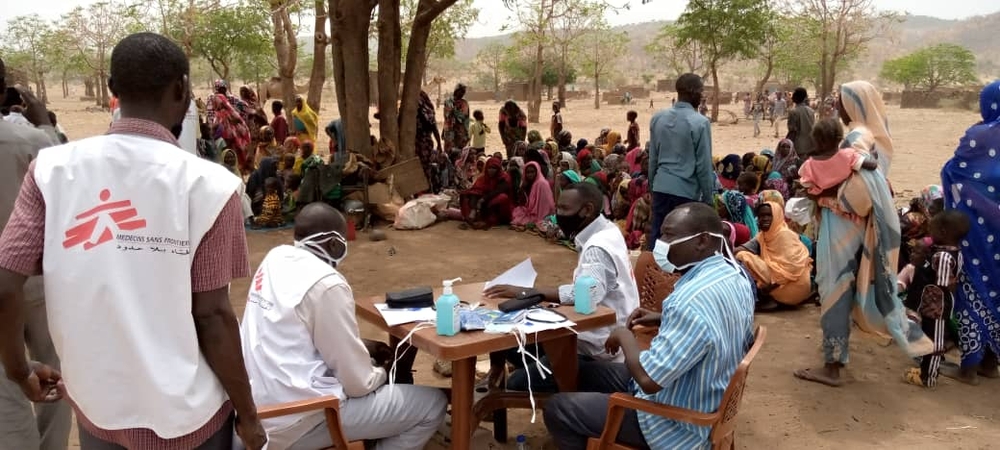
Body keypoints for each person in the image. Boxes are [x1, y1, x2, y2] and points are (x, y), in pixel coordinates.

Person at [0, 33, 266, 449]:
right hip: (187, 420)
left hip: (99, 409)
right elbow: (212, 316)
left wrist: (18, 370)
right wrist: (248, 416)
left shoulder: (52, 169)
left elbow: (4, 283)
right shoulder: (210, 187)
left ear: (112, 90)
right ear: (181, 89)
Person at [543, 203, 754, 450]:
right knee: (586, 372)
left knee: (559, 409)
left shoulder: (690, 300)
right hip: (702, 393)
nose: (659, 243)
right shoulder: (734, 275)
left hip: (676, 424)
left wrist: (623, 335)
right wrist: (662, 318)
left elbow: (648, 380)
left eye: (669, 235)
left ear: (702, 241)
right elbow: (716, 323)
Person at [240, 203, 446, 450]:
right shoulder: (326, 283)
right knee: (432, 404)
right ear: (335, 245)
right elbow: (359, 384)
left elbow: (296, 331)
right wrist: (382, 372)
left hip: (260, 410)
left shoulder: (275, 259)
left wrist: (363, 348)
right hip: (300, 418)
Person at [795, 82, 931, 388]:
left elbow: (860, 193)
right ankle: (838, 352)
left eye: (841, 102)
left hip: (843, 226)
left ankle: (832, 365)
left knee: (833, 286)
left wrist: (820, 197)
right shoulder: (873, 136)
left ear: (854, 104)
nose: (838, 108)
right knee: (842, 285)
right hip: (855, 226)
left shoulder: (856, 138)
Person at [486, 182, 640, 391]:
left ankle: (562, 383)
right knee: (512, 342)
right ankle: (544, 369)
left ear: (587, 209)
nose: (558, 214)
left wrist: (535, 292)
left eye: (565, 209)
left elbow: (589, 293)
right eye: (558, 208)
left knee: (516, 380)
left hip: (595, 347)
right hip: (606, 333)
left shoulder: (596, 247)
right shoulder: (608, 229)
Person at [0, 57, 72, 450]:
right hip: (38, 279)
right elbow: (64, 160)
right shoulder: (31, 141)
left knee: (7, 387)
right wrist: (43, 119)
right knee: (56, 373)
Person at [940, 79, 1000, 384]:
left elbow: (955, 170)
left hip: (977, 236)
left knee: (972, 289)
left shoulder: (979, 135)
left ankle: (968, 366)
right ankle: (990, 363)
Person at [902, 211, 968, 388]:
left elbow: (940, 284)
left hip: (937, 307)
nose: (929, 234)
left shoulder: (943, 257)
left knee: (935, 342)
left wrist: (922, 262)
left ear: (944, 233)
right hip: (932, 305)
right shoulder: (949, 252)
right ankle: (925, 369)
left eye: (933, 230)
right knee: (929, 337)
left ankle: (928, 377)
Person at [648, 73, 714, 247]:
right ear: (692, 92)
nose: (702, 96)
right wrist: (708, 198)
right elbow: (704, 166)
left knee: (658, 236)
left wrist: (652, 187)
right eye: (701, 91)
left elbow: (653, 158)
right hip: (686, 192)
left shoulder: (658, 118)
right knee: (683, 242)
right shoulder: (700, 123)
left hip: (661, 187)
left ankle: (650, 272)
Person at [736, 201, 813, 308]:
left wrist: (771, 287)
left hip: (795, 287)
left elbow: (793, 268)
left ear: (777, 216)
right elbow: (740, 249)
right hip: (781, 283)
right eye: (761, 216)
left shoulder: (784, 234)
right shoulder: (763, 236)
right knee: (740, 254)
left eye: (769, 215)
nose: (764, 219)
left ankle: (767, 298)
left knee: (743, 256)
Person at [799, 119, 879, 196]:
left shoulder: (809, 165)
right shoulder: (848, 155)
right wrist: (872, 153)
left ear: (815, 140)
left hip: (824, 207)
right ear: (840, 139)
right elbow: (872, 165)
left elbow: (807, 188)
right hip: (848, 204)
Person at [839, 80, 894, 175]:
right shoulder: (881, 139)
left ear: (853, 106)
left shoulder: (856, 140)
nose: (838, 109)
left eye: (841, 105)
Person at [209, 80, 252, 173]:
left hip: (223, 134)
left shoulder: (214, 100)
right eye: (222, 88)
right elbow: (243, 108)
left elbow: (210, 116)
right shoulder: (228, 103)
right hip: (230, 133)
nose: (223, 90)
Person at [459, 157, 512, 230]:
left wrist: (483, 199)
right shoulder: (483, 178)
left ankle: (490, 220)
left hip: (495, 206)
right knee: (466, 194)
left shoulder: (504, 178)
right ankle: (472, 216)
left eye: (494, 168)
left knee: (502, 197)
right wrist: (474, 206)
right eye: (489, 168)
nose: (491, 170)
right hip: (482, 204)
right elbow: (475, 190)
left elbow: (498, 191)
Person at [416, 91, 443, 192]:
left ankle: (425, 192)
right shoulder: (428, 112)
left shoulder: (418, 113)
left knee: (422, 170)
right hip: (426, 144)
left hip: (420, 145)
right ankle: (427, 191)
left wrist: (439, 144)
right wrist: (439, 144)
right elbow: (434, 127)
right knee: (425, 170)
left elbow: (434, 127)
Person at [785, 87, 815, 157]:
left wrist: (786, 144)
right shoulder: (811, 111)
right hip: (810, 146)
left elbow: (792, 132)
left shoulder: (793, 112)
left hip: (798, 147)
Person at [442, 83, 470, 155]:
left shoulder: (464, 103)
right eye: (461, 91)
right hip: (449, 132)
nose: (462, 94)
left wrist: (467, 134)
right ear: (456, 90)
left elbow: (465, 119)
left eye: (463, 92)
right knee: (448, 153)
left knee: (459, 153)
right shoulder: (448, 101)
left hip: (460, 133)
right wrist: (443, 130)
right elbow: (446, 117)